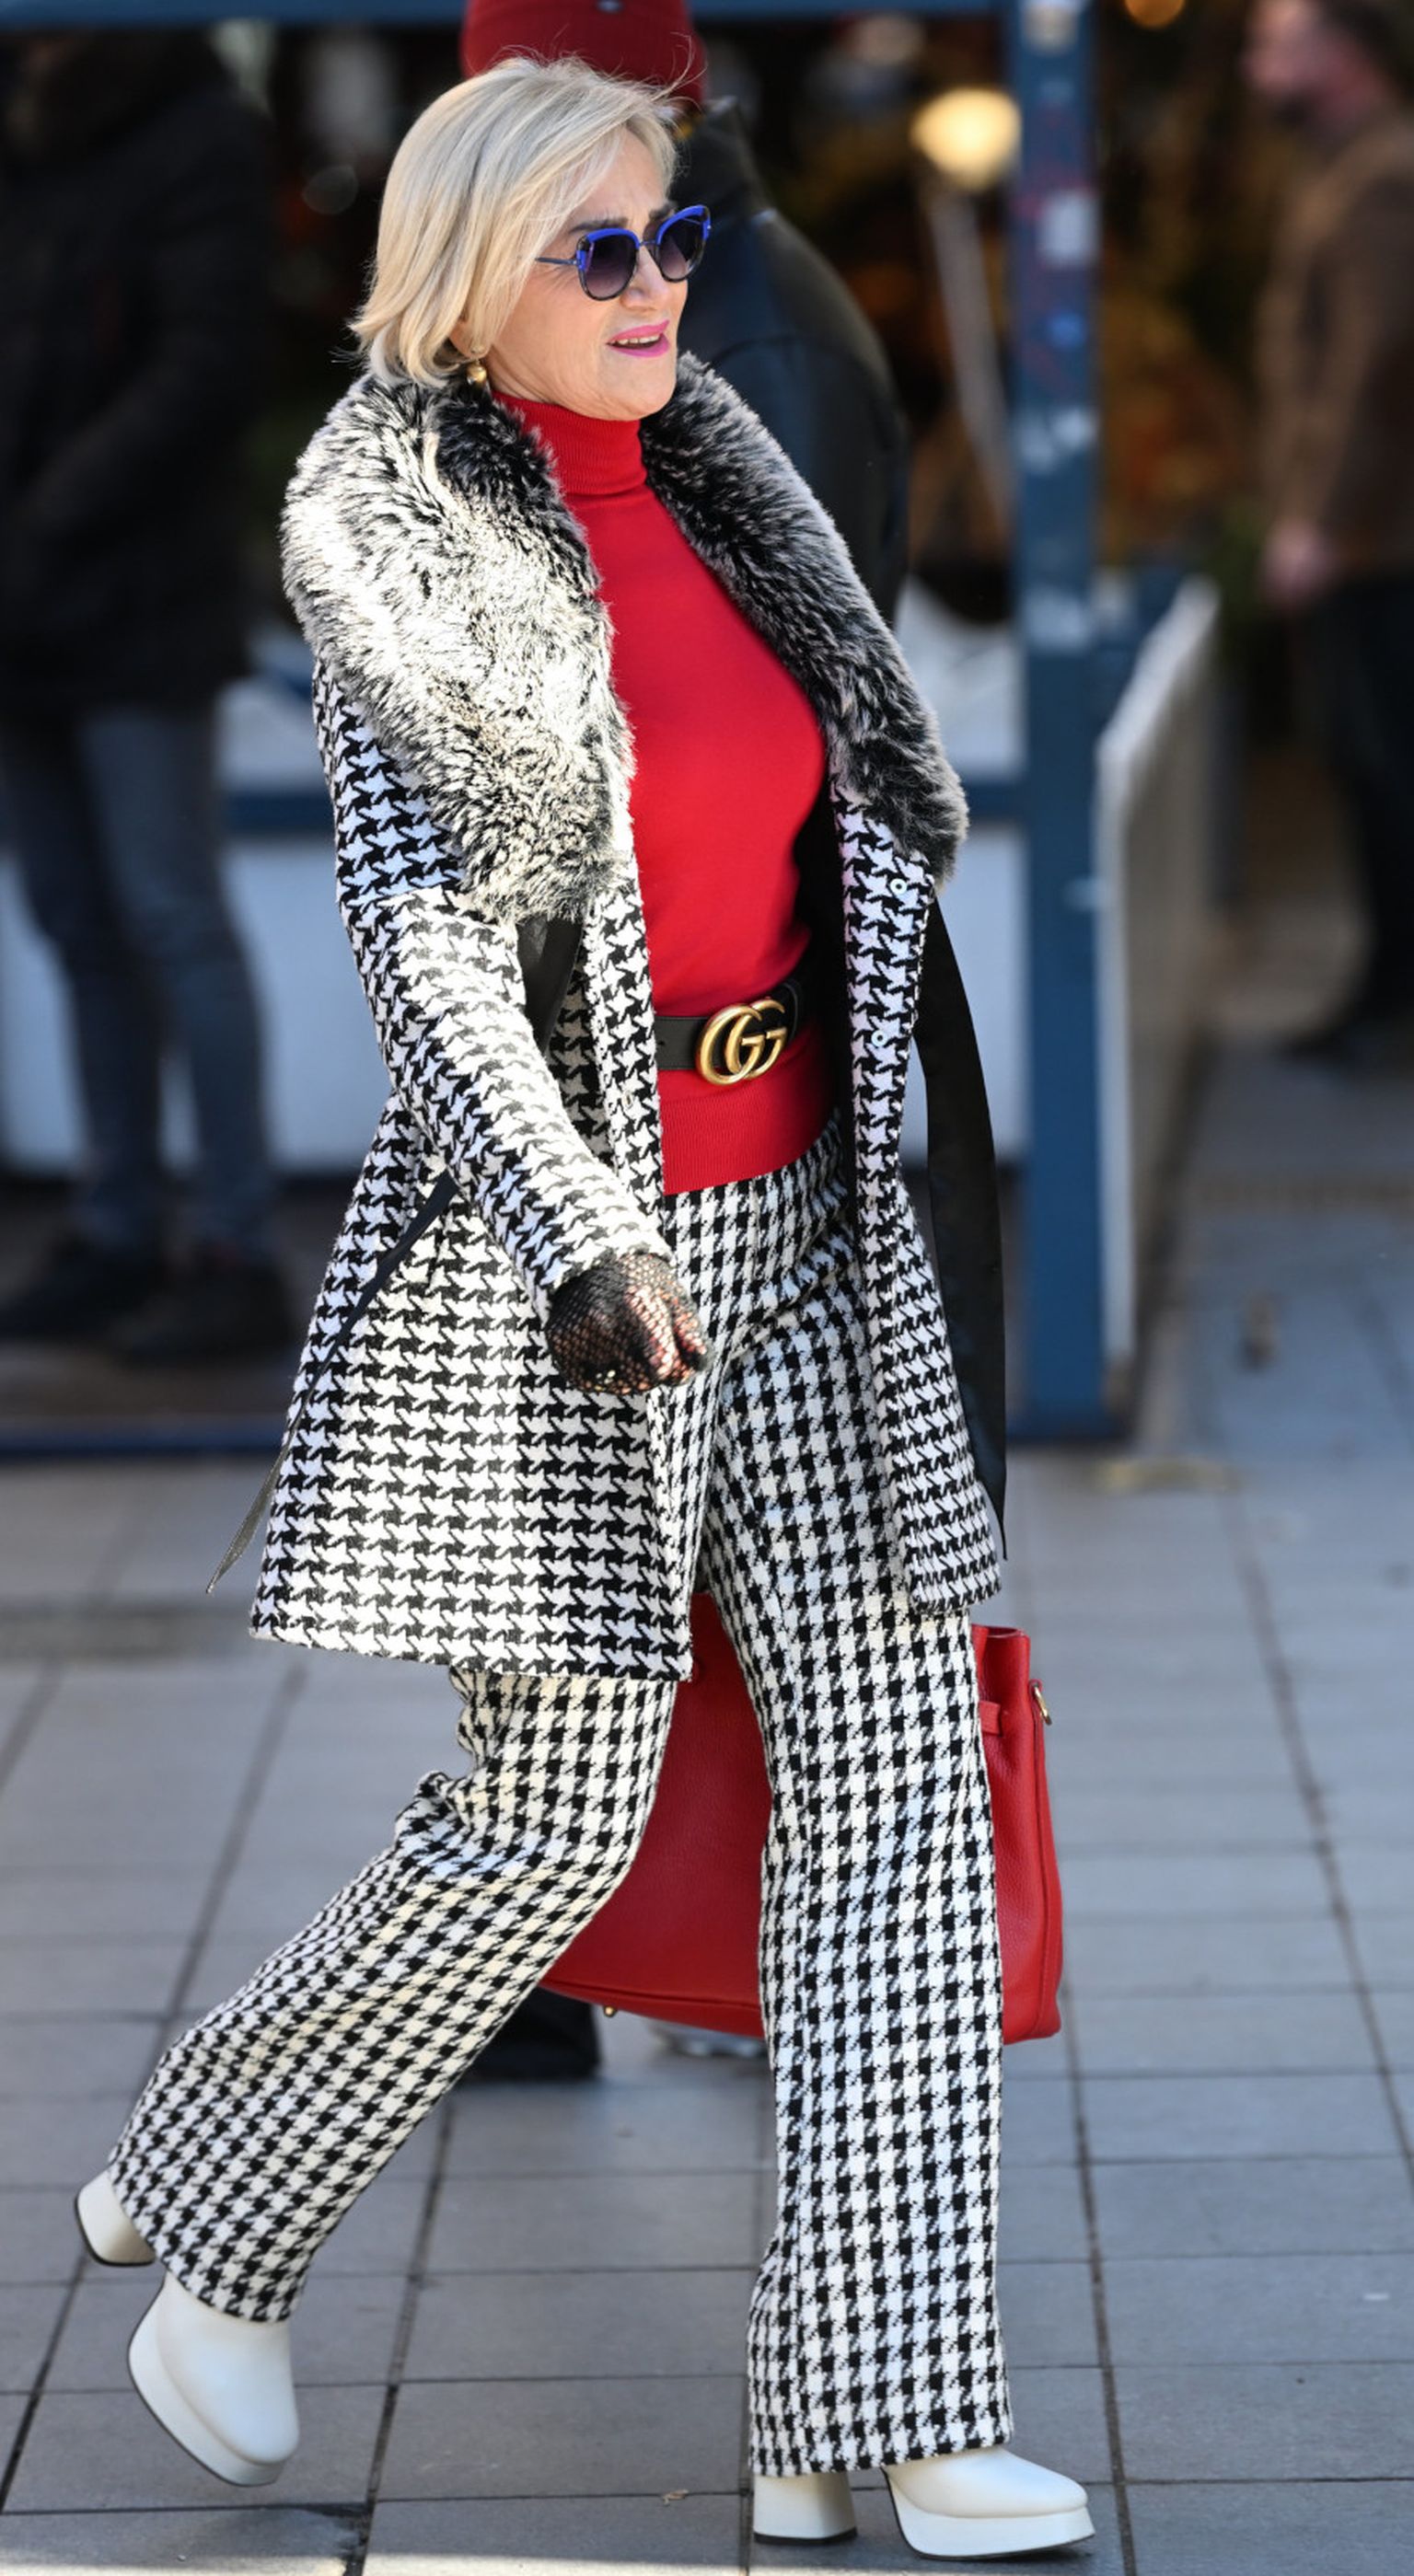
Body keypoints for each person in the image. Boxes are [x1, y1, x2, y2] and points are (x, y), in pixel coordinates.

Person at [72, 59, 1090, 2555]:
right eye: (598, 250)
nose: (655, 287)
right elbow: (422, 932)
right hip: (581, 1273)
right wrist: (574, 1222)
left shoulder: (735, 492)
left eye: (672, 240)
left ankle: (884, 2405)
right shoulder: (398, 541)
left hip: (813, 1230)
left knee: (900, 1789)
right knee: (552, 1813)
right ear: (468, 277)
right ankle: (212, 2183)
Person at [458, 0, 911, 2079]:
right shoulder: (653, 317)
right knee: (575, 1610)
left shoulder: (733, 347)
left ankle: (651, 1968)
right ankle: (582, 1960)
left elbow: (758, 768)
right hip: (624, 1101)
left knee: (700, 1605)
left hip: (714, 1108)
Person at [0, 30, 292, 1359]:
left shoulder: (190, 127)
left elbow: (207, 366)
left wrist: (50, 514)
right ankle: (118, 1225)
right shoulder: (30, 130)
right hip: (31, 601)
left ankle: (235, 1244)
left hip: (135, 594)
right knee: (78, 922)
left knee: (169, 914)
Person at [460, 0, 911, 618]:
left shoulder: (763, 341)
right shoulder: (708, 293)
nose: (483, 167)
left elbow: (803, 652)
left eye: (504, 125)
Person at [1246, 0, 1414, 1067]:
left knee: (1385, 769)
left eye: (1276, 45)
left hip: (1378, 543)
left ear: (1341, 54)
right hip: (1371, 538)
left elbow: (1373, 361)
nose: (1258, 67)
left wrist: (1317, 518)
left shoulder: (1380, 175)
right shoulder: (1351, 165)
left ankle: (1391, 1000)